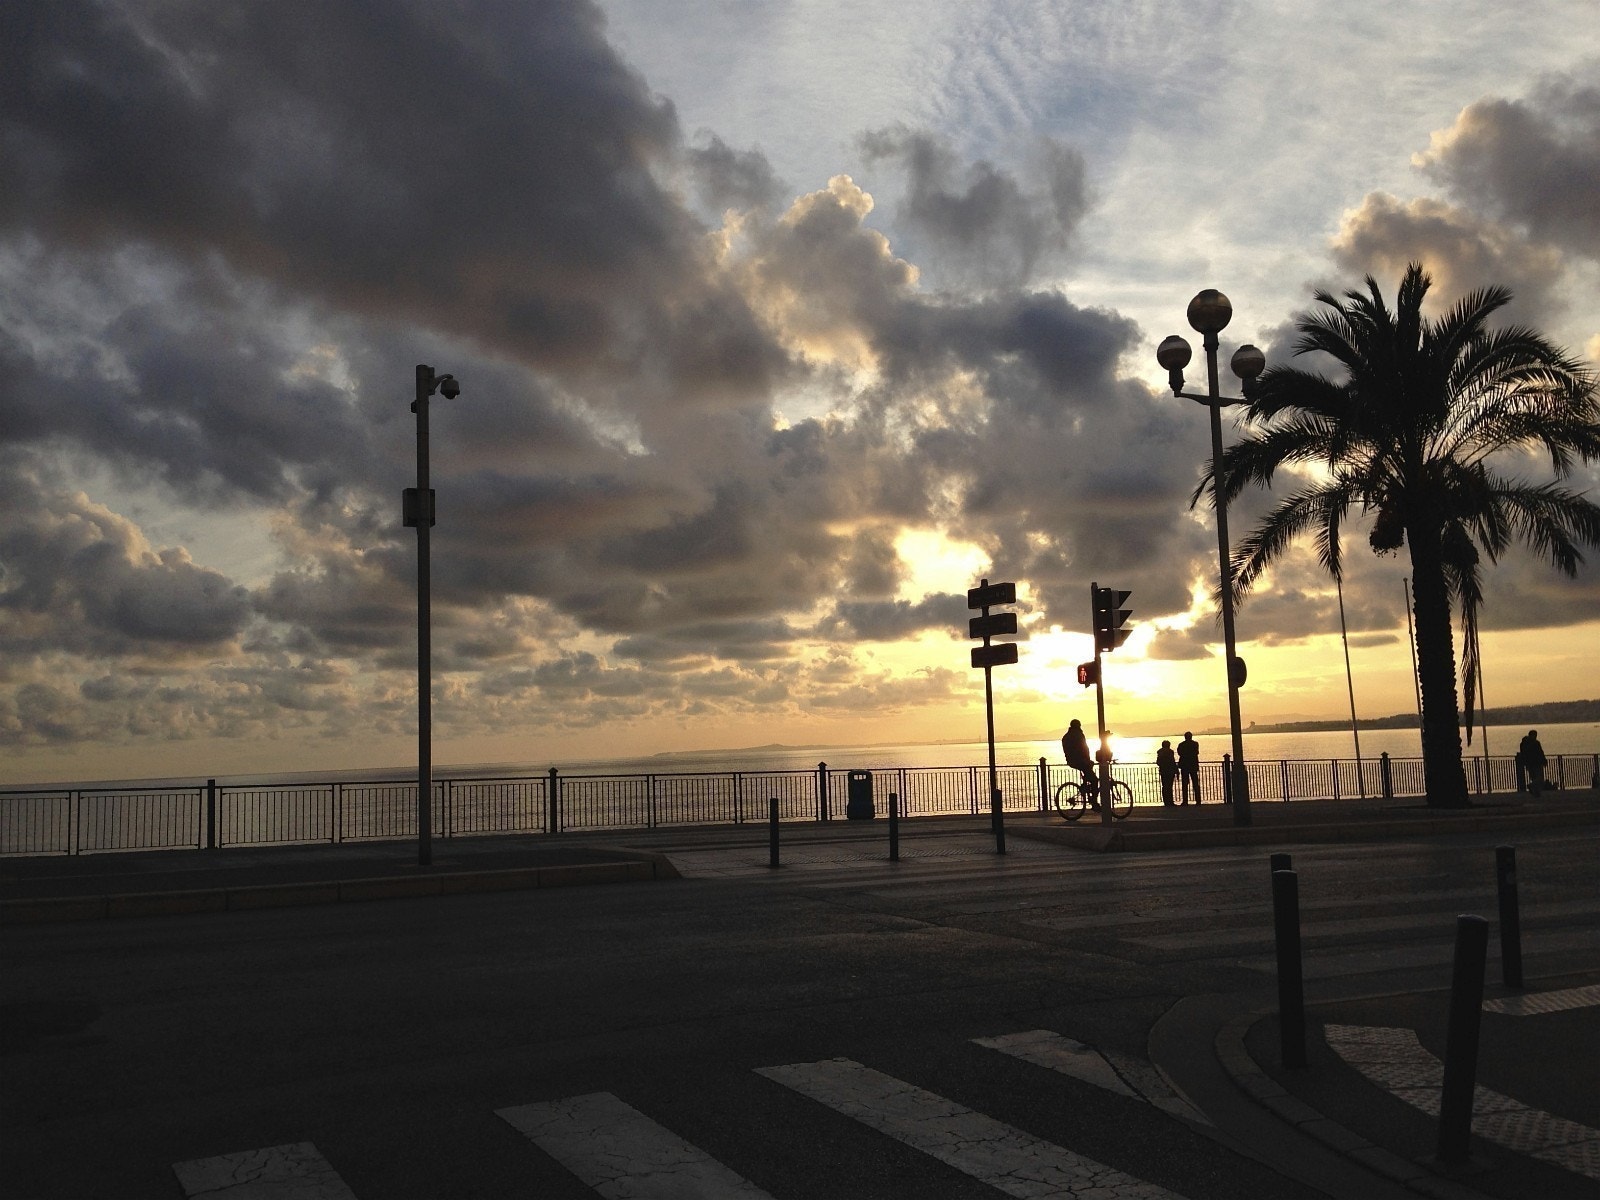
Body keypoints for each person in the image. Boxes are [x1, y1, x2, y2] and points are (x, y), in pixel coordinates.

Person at [1061, 718, 1098, 808]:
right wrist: (1088, 760)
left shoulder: (1066, 736)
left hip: (1072, 761)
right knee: (1094, 780)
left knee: (1088, 775)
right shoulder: (1078, 735)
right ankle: (1094, 802)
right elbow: (1084, 748)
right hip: (1080, 761)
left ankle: (1084, 787)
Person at [1518, 729, 1548, 797]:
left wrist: (1525, 762)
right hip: (1537, 762)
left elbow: (1523, 754)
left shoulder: (1524, 744)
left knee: (1534, 777)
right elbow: (1540, 752)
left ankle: (1536, 792)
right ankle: (1532, 787)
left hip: (1529, 763)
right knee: (1539, 778)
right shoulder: (1536, 743)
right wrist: (1544, 760)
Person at [1177, 732, 1201, 805]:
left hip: (1184, 766)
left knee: (1184, 784)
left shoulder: (1181, 745)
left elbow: (1179, 753)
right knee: (1195, 783)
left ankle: (1185, 801)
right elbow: (1196, 752)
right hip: (1193, 765)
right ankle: (1198, 801)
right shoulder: (1195, 744)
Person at [1156, 740, 1177, 806]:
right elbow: (1172, 761)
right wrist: (1176, 770)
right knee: (1169, 786)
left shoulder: (1160, 752)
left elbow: (1158, 762)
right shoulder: (1170, 752)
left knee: (1165, 786)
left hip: (1163, 771)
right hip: (1170, 770)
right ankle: (1170, 801)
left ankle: (1166, 801)